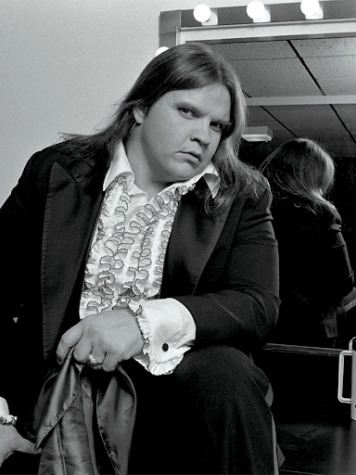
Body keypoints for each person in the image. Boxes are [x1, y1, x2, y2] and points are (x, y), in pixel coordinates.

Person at [0, 43, 281, 474]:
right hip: (51, 401)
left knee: (228, 373)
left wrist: (142, 322)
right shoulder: (55, 170)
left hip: (175, 411)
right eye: (187, 112)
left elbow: (257, 304)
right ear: (140, 109)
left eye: (218, 125)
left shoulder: (241, 196)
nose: (204, 136)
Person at [260, 137, 356, 348]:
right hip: (314, 330)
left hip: (268, 327)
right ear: (314, 179)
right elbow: (344, 283)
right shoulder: (323, 215)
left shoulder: (257, 211)